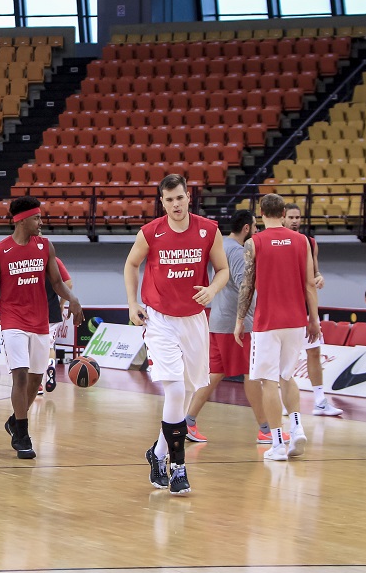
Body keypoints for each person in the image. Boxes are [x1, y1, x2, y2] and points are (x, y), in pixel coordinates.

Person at [125, 174, 229, 495]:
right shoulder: (151, 232)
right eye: (169, 200)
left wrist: (212, 289)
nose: (175, 204)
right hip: (159, 320)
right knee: (174, 390)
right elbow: (131, 264)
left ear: (188, 197)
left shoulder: (208, 230)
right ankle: (178, 468)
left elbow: (223, 270)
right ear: (162, 202)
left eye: (180, 198)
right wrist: (132, 303)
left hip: (194, 319)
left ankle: (157, 453)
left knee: (185, 391)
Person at [0, 196, 84, 459]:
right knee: (21, 376)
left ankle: (15, 420)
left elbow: (58, 283)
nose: (41, 222)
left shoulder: (45, 246)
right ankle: (23, 435)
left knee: (37, 378)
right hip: (13, 321)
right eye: (36, 218)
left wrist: (73, 299)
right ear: (22, 220)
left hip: (40, 321)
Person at [183, 210, 287, 445]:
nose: (257, 231)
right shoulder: (239, 252)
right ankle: (265, 429)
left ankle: (187, 421)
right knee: (252, 374)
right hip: (235, 325)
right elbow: (245, 287)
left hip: (217, 321)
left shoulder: (221, 245)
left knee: (214, 374)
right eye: (255, 227)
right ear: (247, 228)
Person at [236, 194, 320, 462]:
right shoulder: (302, 241)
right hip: (296, 320)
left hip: (267, 322)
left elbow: (247, 285)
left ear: (261, 213)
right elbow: (310, 283)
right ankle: (297, 428)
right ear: (284, 213)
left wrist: (239, 320)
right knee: (287, 375)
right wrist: (314, 319)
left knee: (268, 382)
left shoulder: (254, 242)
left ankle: (277, 444)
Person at [281, 204, 342, 417]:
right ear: (283, 218)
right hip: (283, 307)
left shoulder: (309, 242)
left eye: (297, 217)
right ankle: (284, 402)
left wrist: (319, 277)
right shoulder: (273, 241)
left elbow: (315, 272)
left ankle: (320, 401)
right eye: (291, 217)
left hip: (304, 306)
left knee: (314, 351)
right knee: (285, 358)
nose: (295, 221)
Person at [38, 256, 74, 395]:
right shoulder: (54, 260)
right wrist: (62, 303)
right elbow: (69, 284)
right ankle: (51, 367)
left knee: (33, 348)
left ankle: (38, 384)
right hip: (52, 310)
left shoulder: (28, 259)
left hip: (32, 310)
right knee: (49, 346)